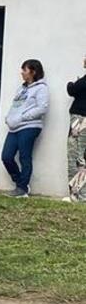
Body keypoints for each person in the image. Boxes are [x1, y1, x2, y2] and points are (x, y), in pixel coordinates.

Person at [2, 59, 50, 198]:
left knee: (25, 157)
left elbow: (42, 108)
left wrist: (22, 117)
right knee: (7, 156)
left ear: (33, 72)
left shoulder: (41, 88)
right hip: (14, 127)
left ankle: (22, 189)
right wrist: (9, 117)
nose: (22, 73)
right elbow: (15, 105)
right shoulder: (21, 88)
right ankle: (20, 183)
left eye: (25, 70)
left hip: (29, 127)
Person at [65, 54, 86, 202]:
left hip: (80, 119)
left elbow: (72, 89)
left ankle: (77, 195)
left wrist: (71, 83)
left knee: (76, 154)